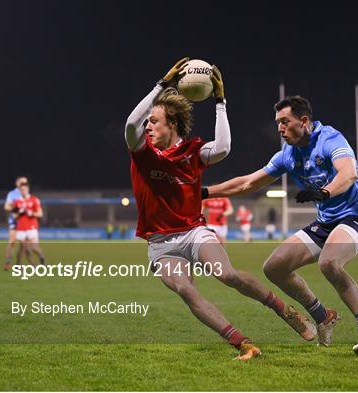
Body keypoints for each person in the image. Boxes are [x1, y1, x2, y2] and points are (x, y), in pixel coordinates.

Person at [125, 59, 316, 361]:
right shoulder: (142, 153)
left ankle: (284, 310)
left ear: (172, 124)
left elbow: (224, 147)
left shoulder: (193, 152)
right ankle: (244, 343)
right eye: (148, 122)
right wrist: (160, 86)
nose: (147, 126)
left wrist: (220, 100)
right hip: (161, 244)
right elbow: (130, 125)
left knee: (227, 275)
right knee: (187, 291)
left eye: (155, 121)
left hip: (194, 232)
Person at [203, 95, 358, 356]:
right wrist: (206, 193)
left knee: (329, 263)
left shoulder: (330, 139)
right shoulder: (287, 155)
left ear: (304, 121)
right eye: (277, 122)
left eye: (285, 122)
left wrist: (324, 192)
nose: (279, 128)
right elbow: (248, 183)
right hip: (326, 223)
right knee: (274, 267)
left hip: (356, 218)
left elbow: (348, 173)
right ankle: (323, 316)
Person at [13, 182, 46, 265]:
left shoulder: (34, 199)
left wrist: (32, 213)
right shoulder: (17, 202)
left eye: (25, 189)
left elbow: (40, 214)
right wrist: (19, 213)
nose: (23, 191)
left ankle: (42, 257)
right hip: (21, 228)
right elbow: (14, 216)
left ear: (28, 189)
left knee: (34, 247)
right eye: (21, 189)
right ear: (19, 191)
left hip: (32, 227)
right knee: (25, 248)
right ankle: (33, 267)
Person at [3, 176, 27, 270]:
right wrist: (17, 210)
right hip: (14, 221)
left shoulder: (27, 194)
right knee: (12, 241)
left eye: (25, 183)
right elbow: (6, 207)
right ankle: (7, 261)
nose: (24, 185)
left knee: (23, 244)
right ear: (17, 183)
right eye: (22, 183)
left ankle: (18, 264)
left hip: (24, 222)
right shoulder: (12, 194)